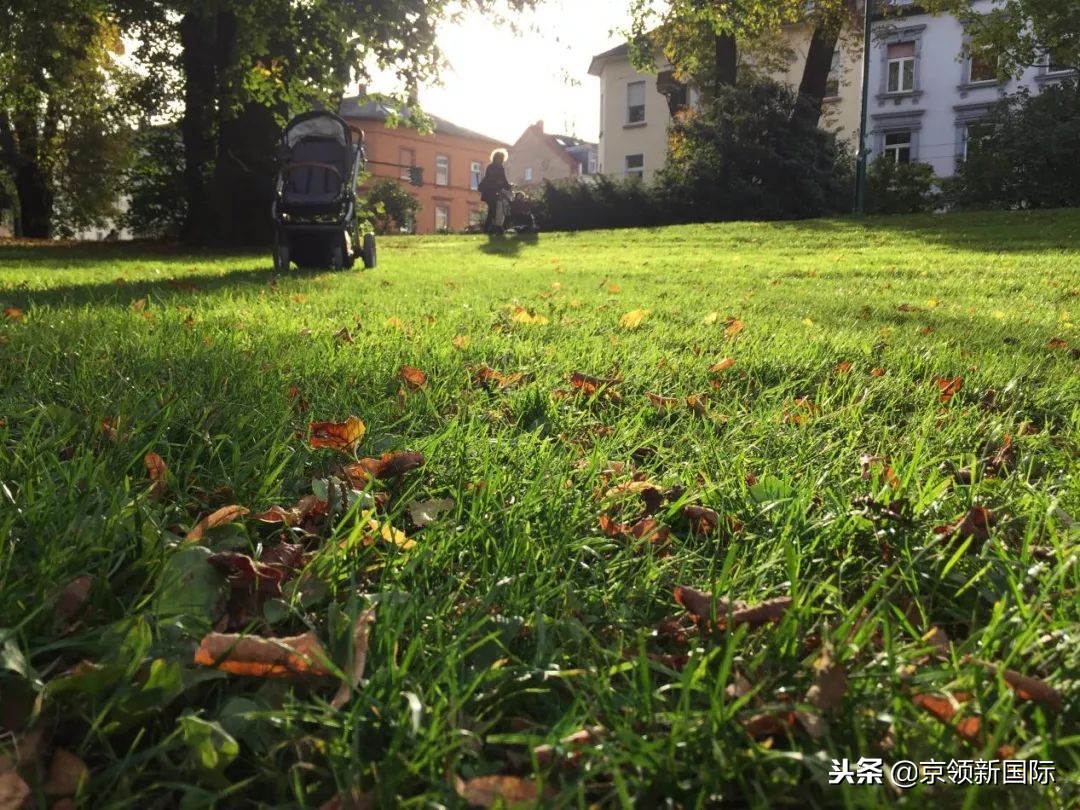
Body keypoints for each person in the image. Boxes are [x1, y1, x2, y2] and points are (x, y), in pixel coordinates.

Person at [478, 149, 511, 233]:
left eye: (502, 158)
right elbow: (499, 180)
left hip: (490, 192)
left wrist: (506, 186)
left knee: (492, 211)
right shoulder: (496, 167)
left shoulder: (494, 167)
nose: (502, 160)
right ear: (496, 158)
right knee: (494, 211)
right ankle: (498, 229)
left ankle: (488, 230)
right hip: (490, 192)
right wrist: (506, 186)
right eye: (501, 158)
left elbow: (502, 180)